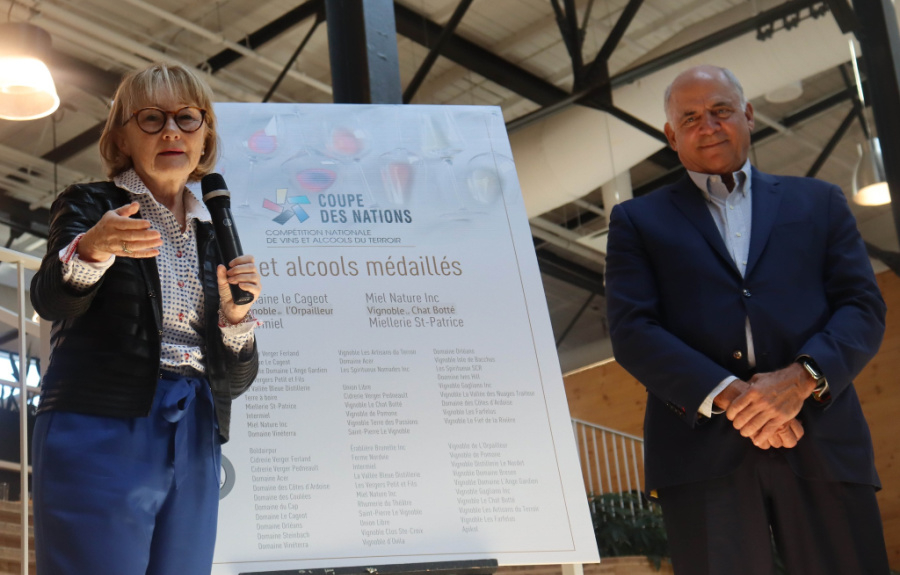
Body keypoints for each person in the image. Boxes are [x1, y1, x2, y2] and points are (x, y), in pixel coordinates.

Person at [605, 65, 890, 574]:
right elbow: (632, 331)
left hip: (822, 438)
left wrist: (800, 380)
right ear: (672, 136)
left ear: (749, 115)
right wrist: (741, 400)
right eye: (689, 118)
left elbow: (863, 306)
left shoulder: (819, 203)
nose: (707, 126)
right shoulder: (636, 222)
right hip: (700, 456)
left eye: (720, 110)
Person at [30, 63, 261, 575]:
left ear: (206, 137)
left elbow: (238, 379)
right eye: (152, 118)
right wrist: (91, 249)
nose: (173, 131)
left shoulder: (213, 233)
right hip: (101, 422)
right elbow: (49, 300)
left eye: (187, 118)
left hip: (196, 427)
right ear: (122, 137)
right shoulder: (92, 204)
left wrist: (235, 315)